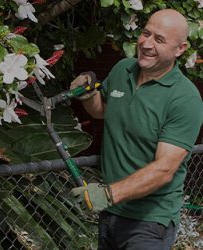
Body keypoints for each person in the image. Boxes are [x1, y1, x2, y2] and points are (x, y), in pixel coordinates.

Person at [70, 9, 203, 250]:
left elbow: (164, 170)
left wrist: (108, 194)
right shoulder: (123, 69)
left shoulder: (185, 99)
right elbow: (102, 111)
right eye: (145, 33)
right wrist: (89, 94)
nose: (147, 43)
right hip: (111, 212)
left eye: (159, 39)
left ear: (180, 49)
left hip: (150, 220)